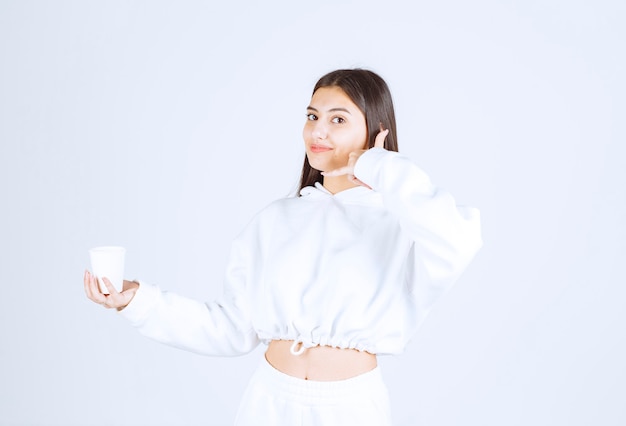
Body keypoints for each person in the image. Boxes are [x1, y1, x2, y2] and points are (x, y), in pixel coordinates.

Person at [84, 68, 482, 425]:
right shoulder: (276, 220)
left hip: (351, 408)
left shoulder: (401, 222)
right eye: (312, 117)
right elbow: (231, 329)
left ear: (376, 130)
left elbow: (457, 239)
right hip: (268, 401)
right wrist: (136, 301)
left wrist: (378, 167)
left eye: (337, 120)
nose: (318, 131)